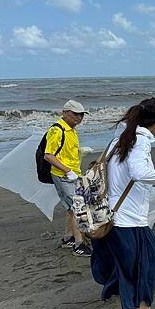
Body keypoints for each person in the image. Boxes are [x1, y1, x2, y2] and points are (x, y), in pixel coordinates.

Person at [90, 97, 155, 309]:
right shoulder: (140, 141)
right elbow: (140, 173)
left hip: (110, 219)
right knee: (147, 268)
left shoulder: (118, 140)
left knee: (124, 271)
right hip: (130, 222)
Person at [44, 99, 92, 257]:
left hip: (72, 174)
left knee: (70, 208)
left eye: (81, 115)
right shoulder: (57, 130)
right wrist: (67, 170)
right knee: (77, 208)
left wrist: (80, 152)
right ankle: (79, 244)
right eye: (76, 114)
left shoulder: (71, 129)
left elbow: (64, 151)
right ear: (65, 113)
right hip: (63, 175)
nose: (79, 118)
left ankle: (68, 238)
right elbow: (48, 156)